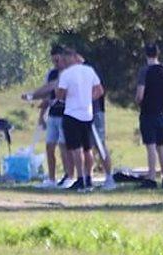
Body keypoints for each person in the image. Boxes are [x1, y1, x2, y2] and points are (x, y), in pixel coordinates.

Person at [21, 45, 72, 188]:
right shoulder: (52, 74)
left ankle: (69, 175)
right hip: (53, 115)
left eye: (58, 60)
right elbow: (47, 92)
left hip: (65, 115)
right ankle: (51, 178)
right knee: (50, 146)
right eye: (54, 61)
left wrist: (32, 95)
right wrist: (41, 115)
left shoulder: (69, 73)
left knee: (64, 147)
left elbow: (53, 87)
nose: (56, 64)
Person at [55, 48, 105, 191]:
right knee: (87, 148)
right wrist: (88, 98)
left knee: (76, 148)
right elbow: (100, 90)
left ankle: (81, 177)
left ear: (68, 59)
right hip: (87, 113)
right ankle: (89, 178)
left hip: (72, 113)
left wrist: (63, 93)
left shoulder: (66, 74)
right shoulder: (89, 70)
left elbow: (60, 95)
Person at [136, 43, 163, 188]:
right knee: (161, 146)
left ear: (146, 54)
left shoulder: (145, 71)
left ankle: (152, 177)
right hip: (161, 113)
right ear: (158, 54)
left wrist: (137, 102)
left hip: (148, 113)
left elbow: (140, 94)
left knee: (151, 146)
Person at [77, 54, 116, 190]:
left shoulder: (89, 70)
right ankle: (88, 177)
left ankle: (109, 177)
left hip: (95, 111)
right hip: (82, 113)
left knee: (99, 144)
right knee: (86, 146)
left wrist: (86, 99)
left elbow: (99, 91)